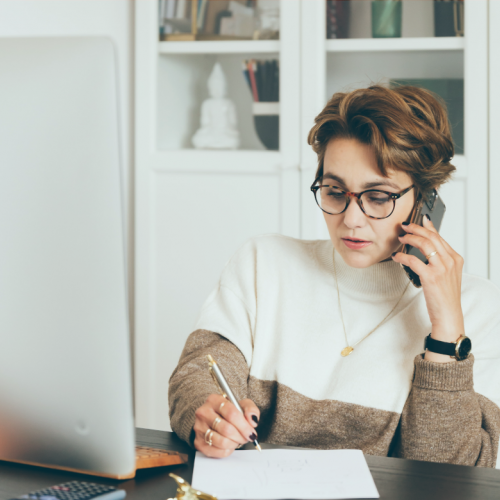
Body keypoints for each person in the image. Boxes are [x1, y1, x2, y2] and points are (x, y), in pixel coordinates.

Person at [168, 85, 500, 467]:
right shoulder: (264, 263)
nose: (351, 220)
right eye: (334, 191)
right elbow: (198, 373)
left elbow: (450, 476)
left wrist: (445, 334)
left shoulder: (475, 308)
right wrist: (207, 412)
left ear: (426, 198)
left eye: (378, 197)